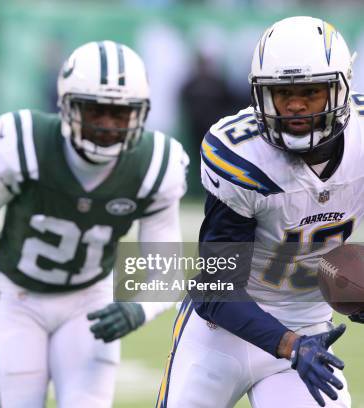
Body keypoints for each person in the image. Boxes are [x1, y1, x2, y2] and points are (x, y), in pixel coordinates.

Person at [0, 41, 189, 407]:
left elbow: (167, 270)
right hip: (20, 298)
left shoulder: (155, 164)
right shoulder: (24, 142)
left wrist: (138, 308)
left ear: (139, 114)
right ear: (68, 106)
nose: (108, 125)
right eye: (96, 110)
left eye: (120, 113)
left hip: (90, 300)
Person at [157, 16, 364, 408]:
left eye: (311, 92)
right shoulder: (241, 154)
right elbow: (215, 289)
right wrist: (290, 346)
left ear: (340, 89)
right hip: (222, 332)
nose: (296, 105)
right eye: (282, 93)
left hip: (308, 328)